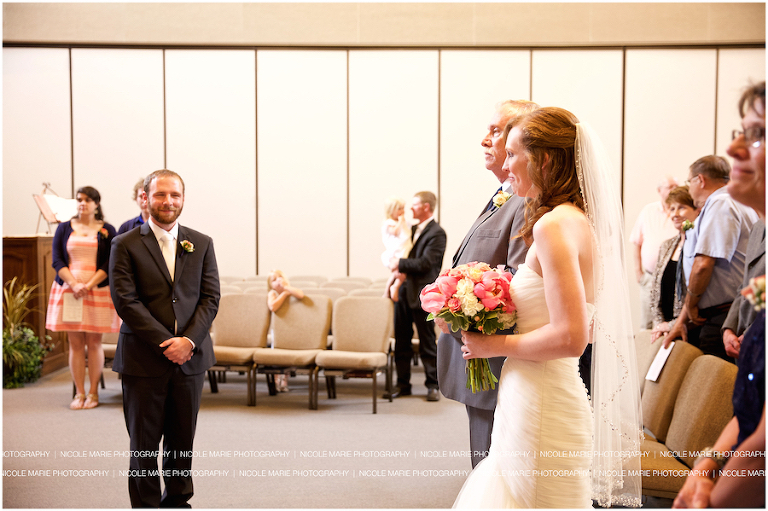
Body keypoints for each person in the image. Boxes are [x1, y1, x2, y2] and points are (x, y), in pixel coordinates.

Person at [453, 107, 642, 508]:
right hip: (535, 391)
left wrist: (491, 345)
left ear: (544, 160)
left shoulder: (553, 225)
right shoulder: (574, 220)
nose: (506, 165)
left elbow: (572, 338)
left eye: (513, 154)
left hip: (541, 399)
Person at [673, 81, 765, 509]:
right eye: (741, 132)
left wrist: (716, 493)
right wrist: (709, 462)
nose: (735, 148)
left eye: (758, 134)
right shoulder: (759, 224)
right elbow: (751, 409)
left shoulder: (723, 204)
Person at [436, 99, 538, 468]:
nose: (484, 140)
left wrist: (458, 305)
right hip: (480, 353)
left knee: (493, 467)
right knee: (486, 466)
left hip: (496, 359)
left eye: (495, 131)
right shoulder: (505, 194)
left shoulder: (527, 201)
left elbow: (519, 281)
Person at [109, 169, 220, 508]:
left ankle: (178, 502)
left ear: (183, 199)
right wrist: (166, 343)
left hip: (190, 361)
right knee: (143, 444)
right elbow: (126, 301)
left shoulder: (201, 243)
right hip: (143, 360)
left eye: (175, 195)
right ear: (146, 198)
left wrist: (188, 341)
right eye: (160, 194)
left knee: (182, 442)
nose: (168, 201)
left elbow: (210, 298)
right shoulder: (124, 243)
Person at [664, 155, 758, 360]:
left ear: (700, 180)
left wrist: (690, 304)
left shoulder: (721, 202)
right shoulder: (737, 201)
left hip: (724, 317)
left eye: (689, 182)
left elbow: (703, 265)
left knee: (714, 377)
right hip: (730, 312)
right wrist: (682, 319)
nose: (689, 189)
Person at [45, 186, 120, 410]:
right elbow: (57, 260)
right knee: (76, 344)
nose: (82, 203)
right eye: (79, 199)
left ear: (96, 203)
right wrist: (74, 284)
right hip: (71, 291)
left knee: (94, 343)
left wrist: (88, 284)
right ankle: (79, 393)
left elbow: (110, 262)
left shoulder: (107, 229)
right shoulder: (64, 228)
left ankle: (94, 393)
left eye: (87, 200)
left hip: (97, 290)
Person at [388, 191, 446, 401]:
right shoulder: (410, 230)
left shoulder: (437, 233)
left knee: (427, 342)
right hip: (403, 293)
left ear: (426, 207)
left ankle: (432, 385)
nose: (410, 208)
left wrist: (399, 263)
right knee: (401, 342)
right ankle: (402, 384)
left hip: (423, 295)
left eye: (414, 205)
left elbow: (426, 264)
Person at [649, 186, 699, 343]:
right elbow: (654, 290)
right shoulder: (666, 246)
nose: (675, 214)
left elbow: (699, 294)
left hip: (691, 329)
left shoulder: (700, 245)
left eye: (682, 207)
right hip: (664, 330)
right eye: (672, 208)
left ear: (697, 210)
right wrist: (660, 325)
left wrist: (673, 325)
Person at [631, 176, 680, 329]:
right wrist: (638, 272)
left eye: (676, 186)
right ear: (659, 190)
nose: (674, 189)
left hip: (672, 279)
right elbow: (636, 242)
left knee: (668, 322)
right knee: (646, 324)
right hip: (650, 277)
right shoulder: (648, 211)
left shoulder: (680, 214)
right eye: (670, 186)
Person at [721, 218, 765, 358]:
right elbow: (747, 283)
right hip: (745, 344)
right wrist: (730, 328)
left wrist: (755, 331)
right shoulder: (758, 226)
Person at [267, 269, 305, 392]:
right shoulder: (272, 293)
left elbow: (301, 295)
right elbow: (273, 306)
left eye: (280, 278)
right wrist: (284, 294)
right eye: (274, 280)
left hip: (289, 328)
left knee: (286, 357)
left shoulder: (290, 290)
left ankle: (284, 382)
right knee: (276, 357)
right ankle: (276, 381)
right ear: (270, 285)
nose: (278, 281)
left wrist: (286, 288)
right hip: (276, 330)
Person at [381, 197, 411, 302]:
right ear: (391, 211)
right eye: (399, 209)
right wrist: (400, 222)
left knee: (398, 273)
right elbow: (394, 232)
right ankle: (393, 287)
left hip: (403, 250)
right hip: (396, 252)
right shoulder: (389, 222)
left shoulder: (401, 222)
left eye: (403, 208)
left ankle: (389, 290)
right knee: (400, 273)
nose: (402, 211)